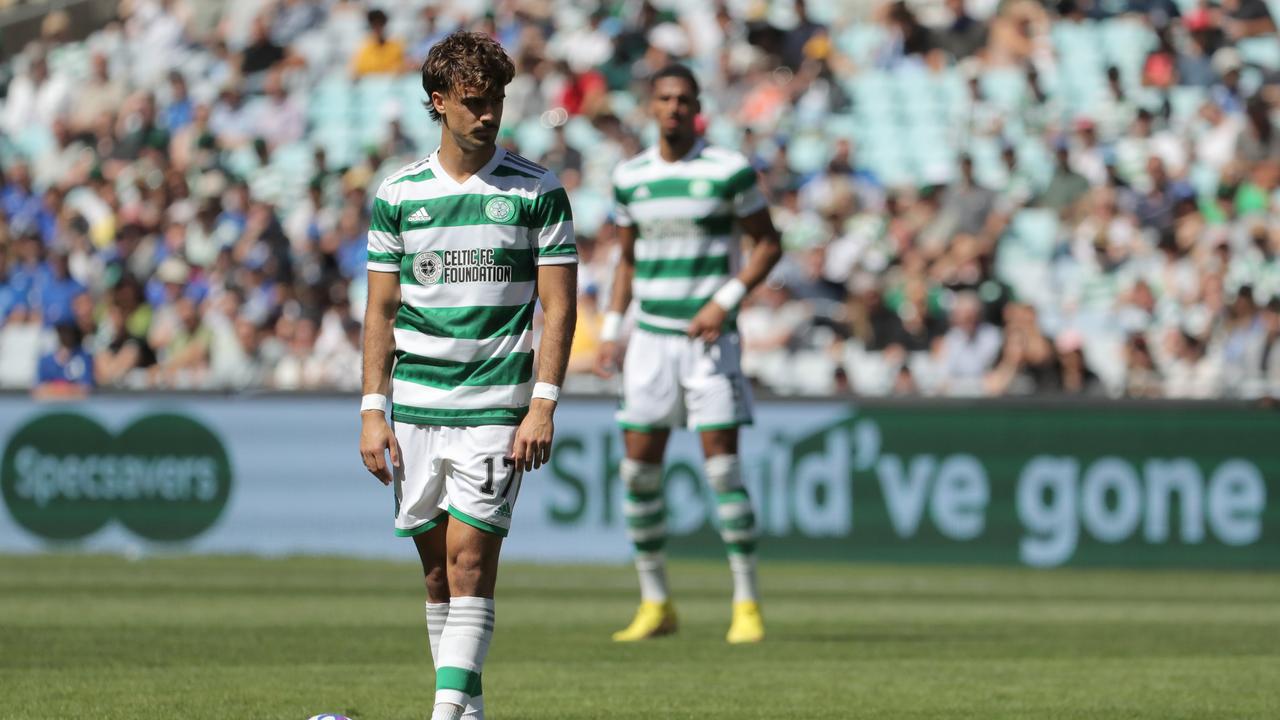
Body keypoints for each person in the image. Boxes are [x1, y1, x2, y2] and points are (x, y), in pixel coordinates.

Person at [358, 32, 577, 720]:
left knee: (469, 566)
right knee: (435, 576)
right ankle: (467, 712)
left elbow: (560, 306)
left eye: (497, 102)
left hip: (495, 407)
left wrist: (541, 405)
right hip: (418, 405)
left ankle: (443, 715)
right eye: (475, 103)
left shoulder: (537, 189)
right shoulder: (398, 194)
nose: (489, 115)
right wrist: (372, 408)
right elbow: (381, 310)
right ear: (439, 102)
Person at [595, 64, 783, 644]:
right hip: (650, 340)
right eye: (665, 98)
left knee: (723, 467)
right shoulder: (631, 177)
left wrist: (723, 301)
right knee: (638, 473)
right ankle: (656, 602)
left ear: (697, 107)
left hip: (708, 341)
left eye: (684, 99)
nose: (674, 107)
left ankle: (746, 602)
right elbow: (626, 260)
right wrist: (610, 328)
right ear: (651, 107)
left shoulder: (727, 170)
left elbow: (768, 243)